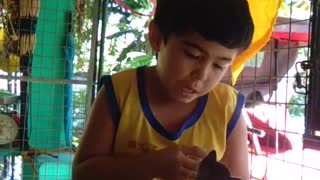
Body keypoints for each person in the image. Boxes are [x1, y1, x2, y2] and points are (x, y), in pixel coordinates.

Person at [72, 0, 254, 179]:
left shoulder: (227, 110)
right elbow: (81, 173)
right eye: (193, 55)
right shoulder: (119, 94)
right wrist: (148, 166)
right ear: (156, 37)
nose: (202, 75)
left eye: (219, 66)